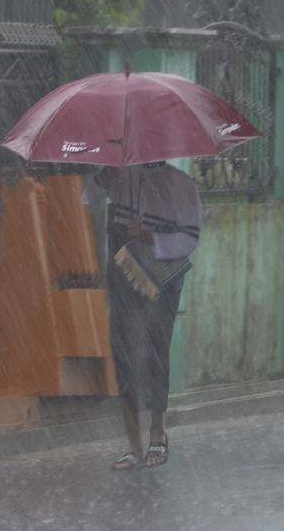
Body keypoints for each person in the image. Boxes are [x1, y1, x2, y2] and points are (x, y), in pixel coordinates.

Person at [82, 161, 201, 470]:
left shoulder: (181, 184)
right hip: (122, 275)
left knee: (155, 353)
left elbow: (191, 237)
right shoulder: (118, 176)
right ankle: (133, 446)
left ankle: (157, 432)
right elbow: (88, 198)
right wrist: (106, 176)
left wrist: (151, 237)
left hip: (162, 280)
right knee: (122, 354)